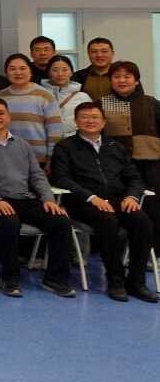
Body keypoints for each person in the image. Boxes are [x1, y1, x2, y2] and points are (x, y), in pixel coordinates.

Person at [0, 98, 76, 298]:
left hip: (24, 198)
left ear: (8, 117)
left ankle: (55, 279)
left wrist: (48, 199)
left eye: (1, 113)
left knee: (61, 221)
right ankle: (11, 279)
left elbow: (37, 175)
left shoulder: (22, 144)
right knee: (10, 222)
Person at [50, 101, 158, 303]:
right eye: (84, 117)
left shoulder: (115, 147)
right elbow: (61, 178)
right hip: (82, 203)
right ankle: (116, 281)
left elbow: (134, 177)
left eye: (95, 117)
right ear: (76, 121)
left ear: (103, 122)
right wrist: (92, 198)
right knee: (108, 221)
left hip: (118, 200)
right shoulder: (65, 147)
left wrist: (132, 196)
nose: (90, 121)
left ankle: (137, 282)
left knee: (143, 223)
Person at [101, 61, 160, 191]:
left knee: (152, 199)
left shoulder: (151, 103)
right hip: (115, 164)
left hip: (150, 163)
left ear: (136, 81)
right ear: (110, 80)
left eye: (127, 76)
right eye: (116, 76)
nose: (122, 80)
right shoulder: (101, 104)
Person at [0, 54, 62, 165]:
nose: (18, 73)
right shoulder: (0, 97)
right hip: (6, 158)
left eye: (23, 68)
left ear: (30, 71)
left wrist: (51, 159)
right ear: (6, 73)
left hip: (38, 159)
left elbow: (55, 131)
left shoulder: (45, 95)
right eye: (12, 69)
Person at [41, 55, 92, 138]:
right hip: (47, 141)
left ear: (71, 72)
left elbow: (90, 123)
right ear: (48, 73)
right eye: (55, 70)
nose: (60, 74)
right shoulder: (40, 95)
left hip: (75, 142)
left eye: (64, 70)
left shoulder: (83, 97)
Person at [73, 37, 120, 101]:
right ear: (88, 54)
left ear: (112, 53)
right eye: (94, 52)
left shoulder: (124, 76)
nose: (99, 55)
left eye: (104, 51)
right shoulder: (77, 76)